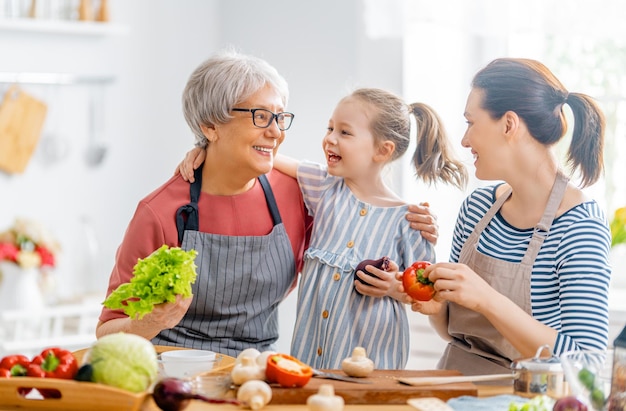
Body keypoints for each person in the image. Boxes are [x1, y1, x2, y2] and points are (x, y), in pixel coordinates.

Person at [98, 49, 438, 358]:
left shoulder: (297, 194)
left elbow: (357, 237)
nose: (276, 132)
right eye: (261, 116)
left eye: (280, 117)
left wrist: (408, 252)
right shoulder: (160, 212)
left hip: (259, 375)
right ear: (210, 125)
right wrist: (150, 323)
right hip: (176, 377)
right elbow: (108, 333)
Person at [179, 88, 467, 369]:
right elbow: (262, 157)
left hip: (375, 365)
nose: (329, 139)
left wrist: (394, 286)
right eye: (329, 128)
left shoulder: (412, 221)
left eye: (344, 132)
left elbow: (429, 296)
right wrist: (207, 149)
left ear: (383, 150)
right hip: (312, 360)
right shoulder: (323, 187)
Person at [401, 57, 612, 376]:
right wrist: (437, 308)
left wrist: (487, 299)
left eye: (471, 123)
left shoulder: (579, 225)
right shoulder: (477, 207)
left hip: (523, 399)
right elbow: (456, 334)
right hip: (451, 387)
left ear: (509, 124)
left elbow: (587, 363)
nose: (464, 140)